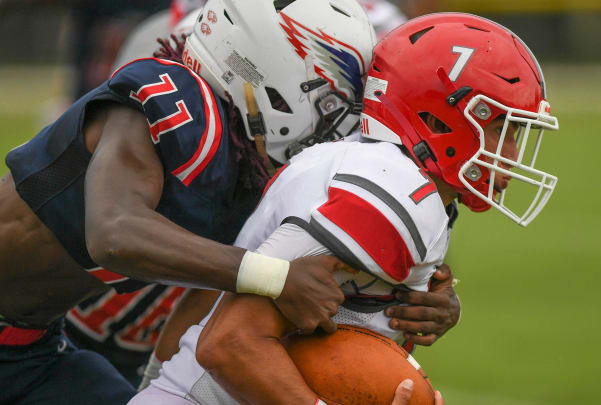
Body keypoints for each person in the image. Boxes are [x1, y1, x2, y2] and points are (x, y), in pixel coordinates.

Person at [128, 12, 560, 405]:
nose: (512, 154)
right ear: (437, 120)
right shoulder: (388, 194)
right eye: (501, 128)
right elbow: (228, 343)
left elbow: (209, 305)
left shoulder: (389, 175)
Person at [0, 0, 378, 403]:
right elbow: (114, 233)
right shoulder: (175, 98)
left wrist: (415, 296)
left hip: (30, 347)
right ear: (268, 67)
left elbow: (224, 290)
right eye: (332, 101)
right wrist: (276, 277)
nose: (341, 124)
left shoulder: (246, 160)